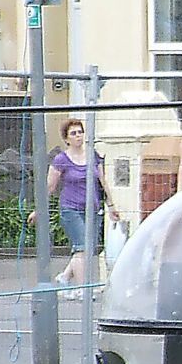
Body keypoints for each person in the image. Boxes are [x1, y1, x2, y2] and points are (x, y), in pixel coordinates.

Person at [39, 118, 118, 285]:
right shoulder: (61, 159)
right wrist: (39, 209)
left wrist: (111, 205)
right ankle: (83, 289)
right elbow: (50, 186)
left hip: (93, 209)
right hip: (71, 209)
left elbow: (102, 181)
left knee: (87, 249)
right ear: (66, 139)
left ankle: (65, 277)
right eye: (73, 133)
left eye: (80, 132)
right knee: (82, 248)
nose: (78, 136)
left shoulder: (93, 155)